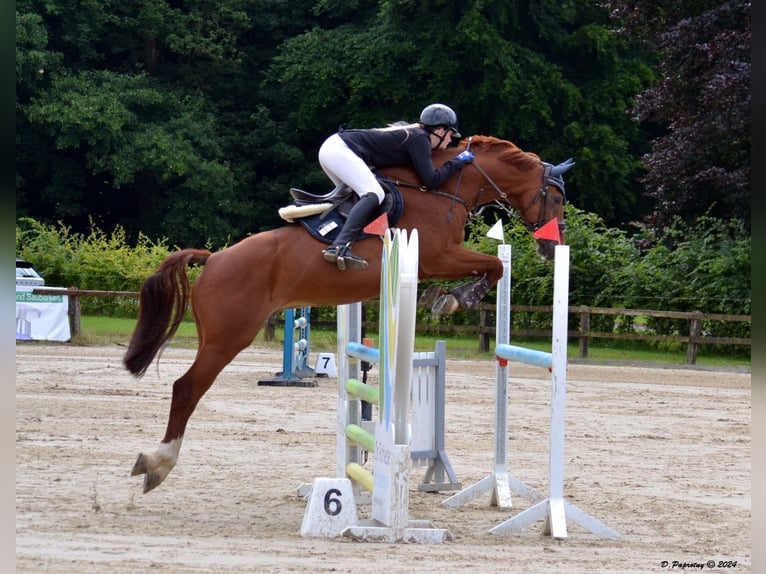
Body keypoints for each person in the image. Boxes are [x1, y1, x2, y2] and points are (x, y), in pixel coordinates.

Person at [318, 103, 475, 270]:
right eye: (451, 134)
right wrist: (457, 162)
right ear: (441, 130)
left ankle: (350, 241)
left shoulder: (414, 136)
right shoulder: (420, 138)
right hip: (340, 150)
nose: (450, 140)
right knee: (374, 193)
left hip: (334, 148)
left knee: (363, 199)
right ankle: (339, 246)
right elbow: (431, 180)